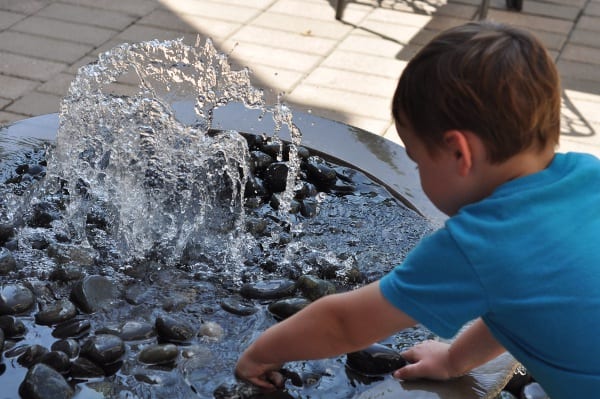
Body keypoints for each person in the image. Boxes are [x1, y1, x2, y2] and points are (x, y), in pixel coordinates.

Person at [235, 21, 600, 398]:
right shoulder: (589, 177)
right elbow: (515, 305)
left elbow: (345, 323)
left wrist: (262, 353)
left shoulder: (482, 242)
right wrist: (453, 361)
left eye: (417, 159)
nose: (417, 172)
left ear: (460, 153)